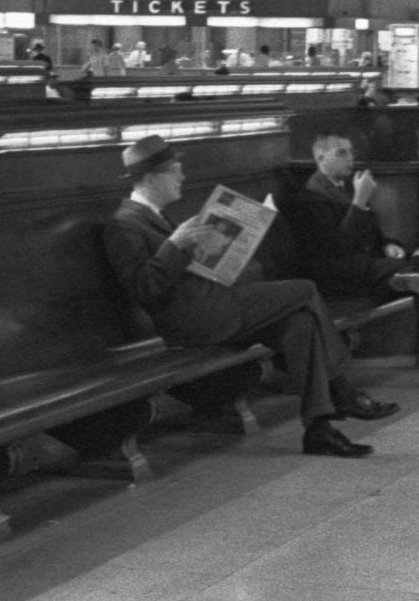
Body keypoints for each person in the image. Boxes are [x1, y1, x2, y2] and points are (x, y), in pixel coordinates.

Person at [100, 135, 396, 457]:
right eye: (175, 171)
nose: (182, 177)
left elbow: (179, 270)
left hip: (212, 306)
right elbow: (143, 287)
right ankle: (343, 389)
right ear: (153, 177)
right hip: (192, 319)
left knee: (299, 324)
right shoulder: (123, 224)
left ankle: (319, 429)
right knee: (305, 289)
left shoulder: (155, 216)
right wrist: (176, 246)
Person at [277, 134, 419, 392]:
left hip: (370, 265)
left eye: (351, 151)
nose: (350, 158)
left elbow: (373, 232)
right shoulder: (309, 198)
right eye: (341, 153)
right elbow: (338, 249)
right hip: (342, 274)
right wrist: (359, 202)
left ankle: (415, 266)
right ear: (320, 158)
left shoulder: (348, 188)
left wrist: (388, 243)